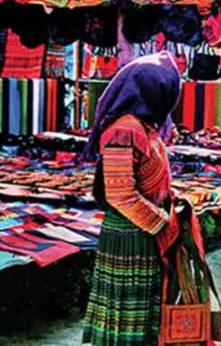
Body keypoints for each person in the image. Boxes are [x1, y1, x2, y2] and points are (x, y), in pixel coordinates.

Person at [82, 53, 183, 346]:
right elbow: (120, 194)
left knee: (140, 316)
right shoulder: (125, 131)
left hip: (140, 232)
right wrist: (162, 224)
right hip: (130, 234)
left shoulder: (142, 126)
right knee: (130, 319)